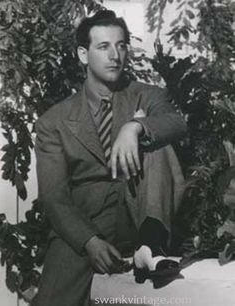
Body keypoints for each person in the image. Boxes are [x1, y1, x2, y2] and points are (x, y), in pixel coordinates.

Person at [33, 10, 187, 306]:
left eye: (121, 45)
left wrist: (135, 126)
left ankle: (150, 246)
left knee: (155, 138)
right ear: (83, 54)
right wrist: (89, 242)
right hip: (83, 228)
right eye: (103, 47)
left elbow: (176, 122)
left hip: (140, 215)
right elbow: (54, 198)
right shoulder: (53, 121)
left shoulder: (145, 95)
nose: (115, 55)